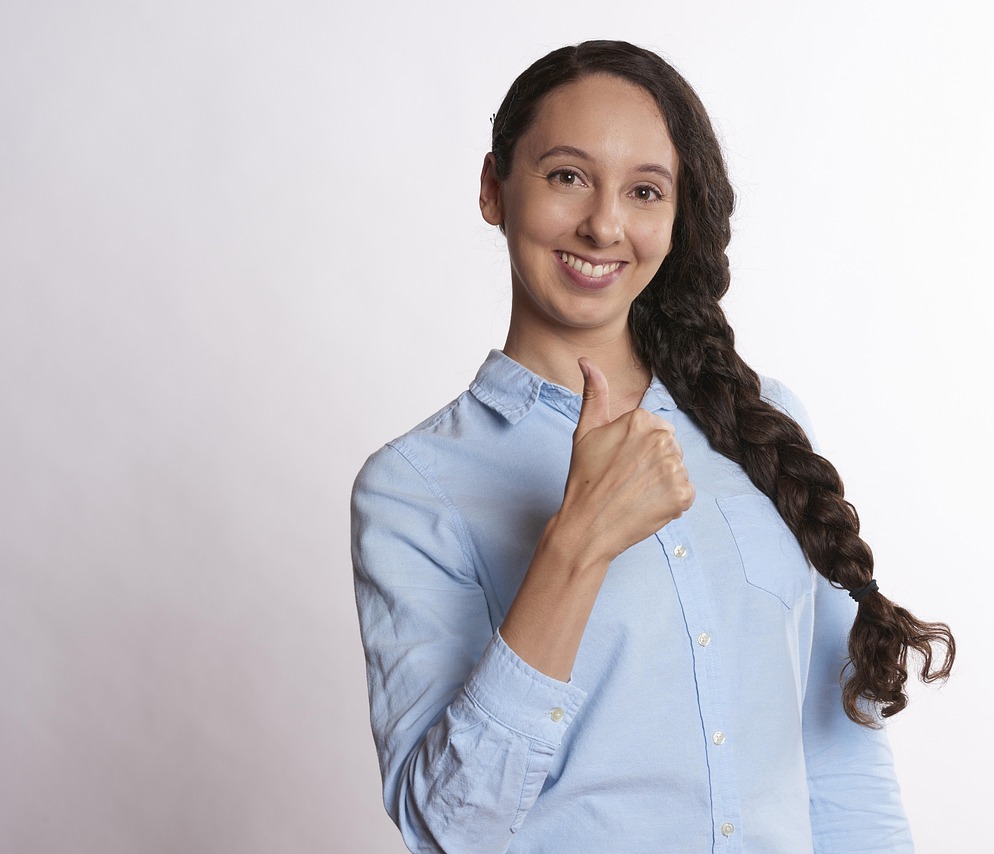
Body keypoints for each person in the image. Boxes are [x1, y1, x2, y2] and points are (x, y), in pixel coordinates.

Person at [351, 40, 954, 854]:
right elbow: (448, 828)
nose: (604, 224)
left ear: (677, 215)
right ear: (495, 188)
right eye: (567, 176)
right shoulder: (413, 488)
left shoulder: (765, 424)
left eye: (644, 191)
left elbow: (840, 759)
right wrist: (578, 542)